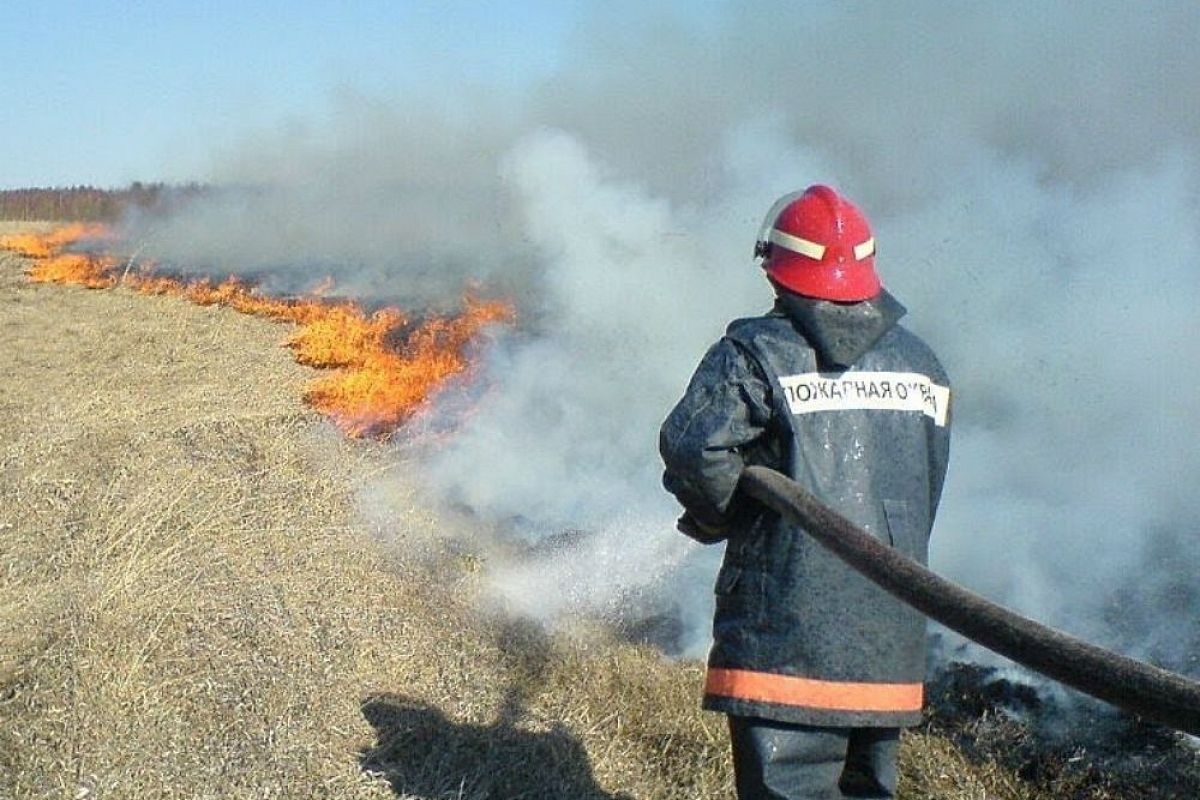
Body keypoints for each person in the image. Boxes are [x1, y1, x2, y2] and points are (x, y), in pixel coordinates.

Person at [659, 185, 952, 799]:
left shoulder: (754, 353)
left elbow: (694, 448)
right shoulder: (924, 366)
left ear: (775, 266)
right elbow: (926, 484)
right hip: (888, 633)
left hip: (784, 631)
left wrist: (723, 516)